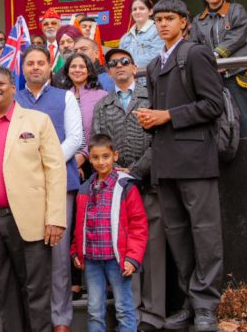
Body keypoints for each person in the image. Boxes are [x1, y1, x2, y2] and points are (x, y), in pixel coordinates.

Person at [138, 0, 225, 332]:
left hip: (195, 159)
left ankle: (207, 306)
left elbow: (213, 104)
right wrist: (151, 120)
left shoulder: (197, 53)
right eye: (158, 19)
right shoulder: (153, 64)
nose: (162, 24)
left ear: (184, 22)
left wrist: (168, 116)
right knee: (178, 237)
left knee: (205, 234)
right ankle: (190, 303)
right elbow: (162, 115)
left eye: (169, 18)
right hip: (165, 161)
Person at [0, 63, 67, 332]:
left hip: (29, 221)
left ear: (12, 88)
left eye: (0, 84)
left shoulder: (37, 121)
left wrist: (55, 217)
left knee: (35, 292)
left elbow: (55, 170)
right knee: (4, 294)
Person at [91, 47, 165, 331]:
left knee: (154, 250)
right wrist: (115, 172)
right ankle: (131, 312)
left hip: (149, 182)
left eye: (124, 62)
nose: (119, 66)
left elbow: (160, 140)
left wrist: (135, 170)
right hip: (117, 190)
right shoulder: (103, 105)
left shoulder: (151, 97)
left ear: (135, 68)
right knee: (125, 250)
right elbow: (98, 143)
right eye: (113, 64)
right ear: (108, 73)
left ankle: (154, 316)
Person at [15, 45, 84, 332]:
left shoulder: (64, 97)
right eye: (29, 63)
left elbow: (75, 138)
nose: (35, 67)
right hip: (21, 185)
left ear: (49, 66)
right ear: (22, 68)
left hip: (59, 184)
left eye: (40, 62)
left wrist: (48, 163)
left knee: (57, 255)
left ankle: (60, 319)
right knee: (26, 253)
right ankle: (33, 316)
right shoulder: (13, 99)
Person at [71, 134, 148, 332]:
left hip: (118, 260)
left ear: (115, 156)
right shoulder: (85, 188)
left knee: (123, 308)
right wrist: (76, 252)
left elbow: (139, 225)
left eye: (105, 156)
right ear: (90, 159)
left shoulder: (125, 187)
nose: (101, 162)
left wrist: (132, 257)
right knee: (94, 310)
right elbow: (79, 225)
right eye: (95, 157)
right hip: (93, 260)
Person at [189, 0, 247, 138]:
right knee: (224, 123)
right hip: (214, 78)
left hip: (239, 73)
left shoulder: (237, 10)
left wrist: (215, 56)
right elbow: (194, 46)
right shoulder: (198, 21)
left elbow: (238, 36)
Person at [60, 52, 107, 181]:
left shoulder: (101, 96)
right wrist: (72, 161)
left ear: (89, 70)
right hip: (67, 159)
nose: (77, 70)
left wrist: (83, 156)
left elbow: (103, 131)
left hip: (96, 159)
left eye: (82, 66)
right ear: (67, 70)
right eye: (73, 66)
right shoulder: (61, 96)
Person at [119, 0, 165, 76]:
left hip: (150, 80)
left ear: (150, 12)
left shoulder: (158, 31)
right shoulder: (125, 37)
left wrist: (128, 65)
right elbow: (119, 59)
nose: (137, 12)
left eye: (141, 8)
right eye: (134, 9)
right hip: (129, 81)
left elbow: (156, 57)